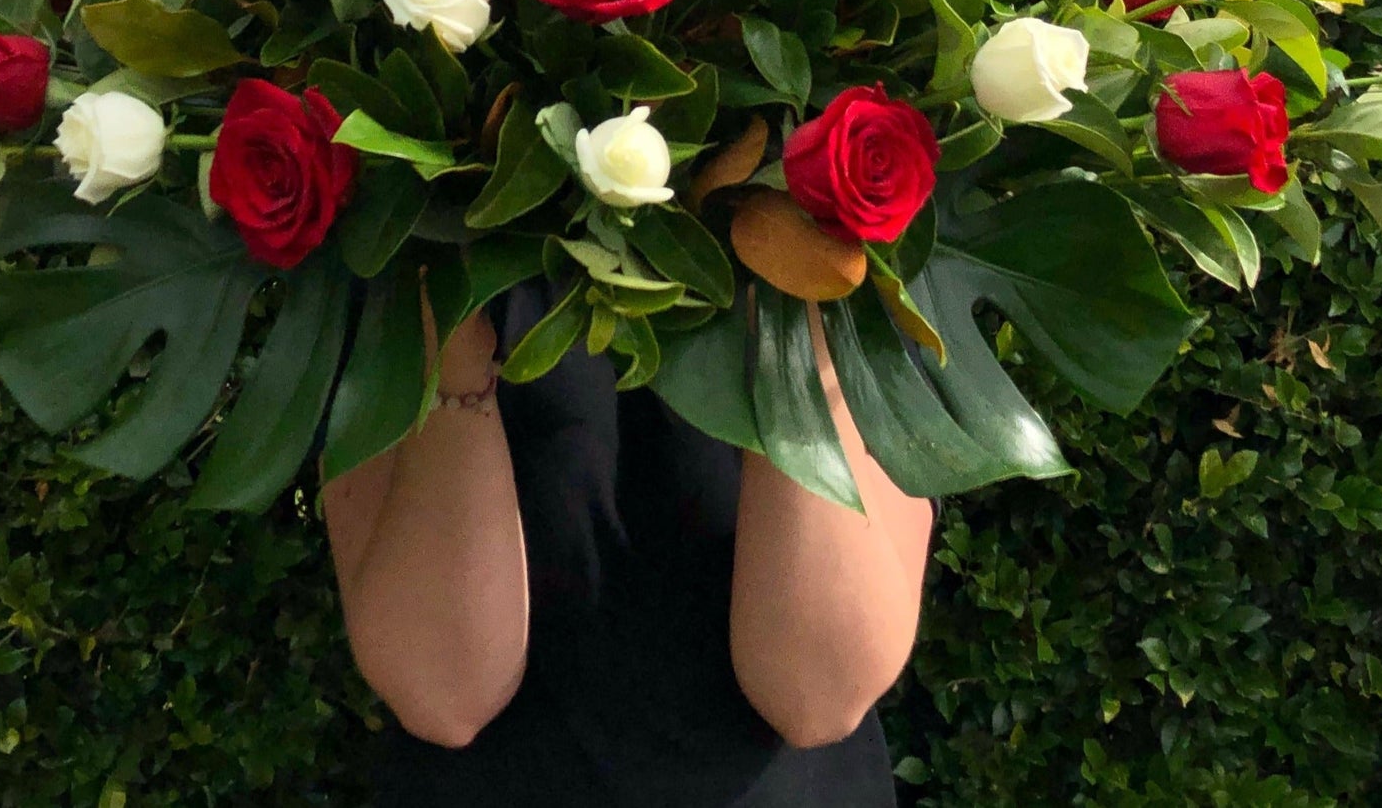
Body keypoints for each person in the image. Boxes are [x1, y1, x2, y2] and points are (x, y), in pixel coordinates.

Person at [323, 282, 935, 806]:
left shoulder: (848, 249)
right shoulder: (408, 236)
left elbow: (818, 692)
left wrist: (792, 289)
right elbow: (444, 693)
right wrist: (452, 347)